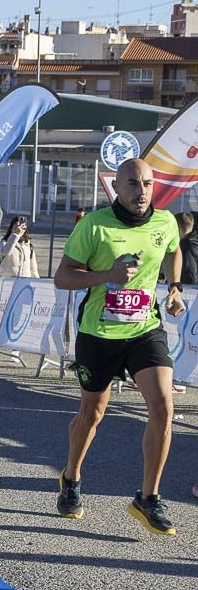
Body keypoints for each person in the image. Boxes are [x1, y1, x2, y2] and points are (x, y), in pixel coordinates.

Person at [53, 158, 185, 536]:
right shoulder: (94, 226)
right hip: (99, 333)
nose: (141, 191)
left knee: (163, 405)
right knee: (92, 414)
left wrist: (174, 288)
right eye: (132, 183)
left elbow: (174, 248)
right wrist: (106, 276)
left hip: (145, 329)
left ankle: (148, 497)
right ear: (117, 187)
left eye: (146, 183)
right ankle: (72, 477)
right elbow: (63, 277)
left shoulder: (165, 222)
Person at [175, 212, 198, 285]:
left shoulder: (186, 247)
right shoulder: (194, 240)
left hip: (188, 292)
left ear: (178, 227)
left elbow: (189, 276)